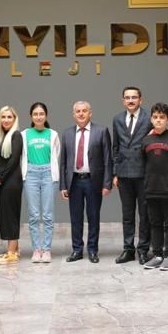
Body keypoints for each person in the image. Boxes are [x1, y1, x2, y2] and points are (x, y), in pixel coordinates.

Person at [60, 101, 113, 263]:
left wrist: (107, 183)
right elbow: (63, 162)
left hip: (93, 181)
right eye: (78, 111)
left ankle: (92, 250)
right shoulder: (67, 133)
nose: (81, 114)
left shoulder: (101, 131)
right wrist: (63, 185)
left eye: (84, 111)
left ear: (90, 113)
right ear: (73, 114)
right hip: (74, 181)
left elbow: (108, 159)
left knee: (93, 217)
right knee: (75, 218)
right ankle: (77, 250)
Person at [111, 86, 150, 264]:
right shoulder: (117, 119)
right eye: (127, 97)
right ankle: (128, 249)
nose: (131, 100)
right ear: (123, 100)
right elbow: (116, 147)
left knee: (144, 214)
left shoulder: (149, 118)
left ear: (141, 100)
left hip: (143, 173)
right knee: (127, 215)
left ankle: (143, 250)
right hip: (124, 173)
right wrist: (115, 173)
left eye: (134, 97)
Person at [141, 103, 168, 271]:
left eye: (162, 117)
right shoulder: (145, 140)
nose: (158, 120)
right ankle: (157, 255)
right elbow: (143, 164)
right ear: (151, 119)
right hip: (151, 189)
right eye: (155, 117)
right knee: (154, 223)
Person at [22, 102, 61, 263]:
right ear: (31, 116)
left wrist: (49, 171)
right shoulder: (24, 134)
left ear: (46, 115)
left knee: (48, 215)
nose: (38, 117)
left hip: (48, 174)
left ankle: (46, 250)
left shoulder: (53, 134)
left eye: (41, 114)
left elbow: (56, 155)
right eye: (35, 114)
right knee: (33, 215)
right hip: (31, 174)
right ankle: (36, 249)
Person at [0, 105, 23, 264]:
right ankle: (14, 250)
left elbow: (14, 160)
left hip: (11, 182)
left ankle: (11, 254)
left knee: (11, 216)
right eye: (3, 117)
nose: (6, 120)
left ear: (14, 119)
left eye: (9, 117)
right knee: (6, 215)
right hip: (1, 182)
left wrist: (0, 177)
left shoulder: (16, 135)